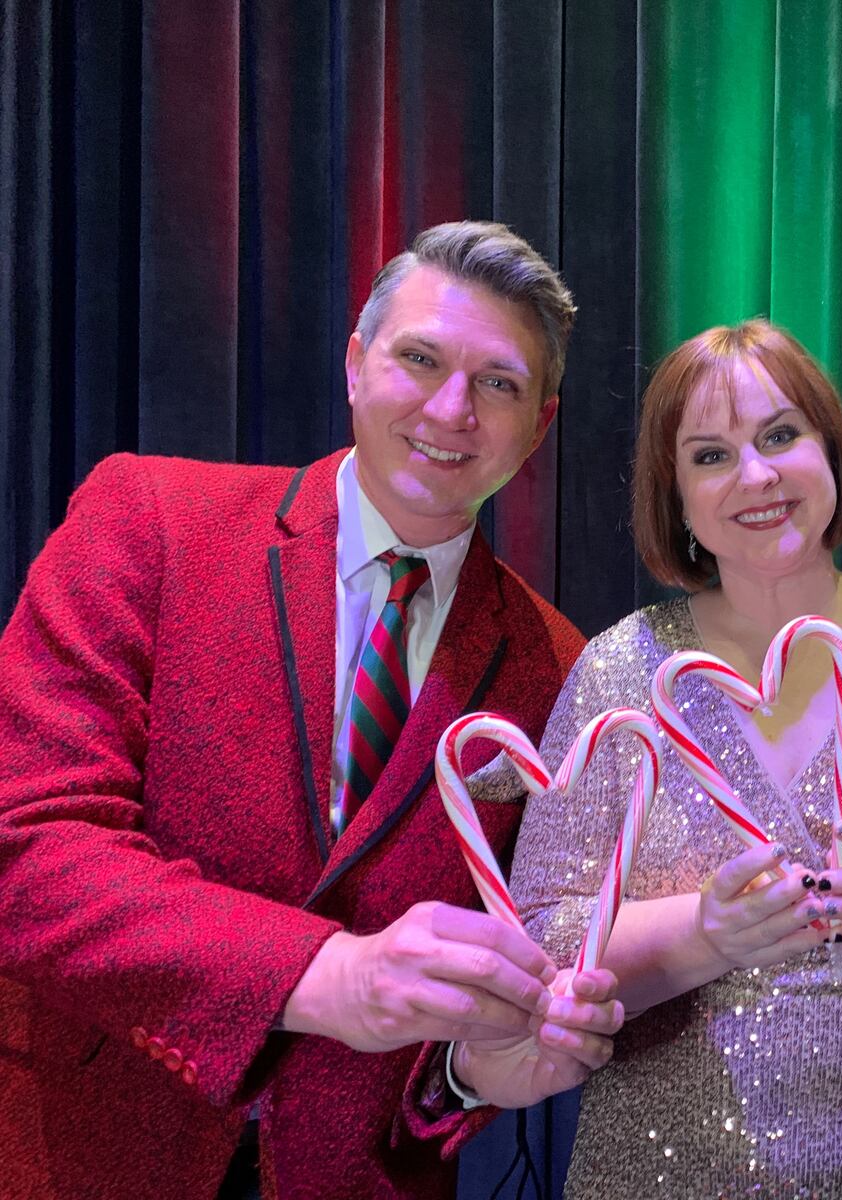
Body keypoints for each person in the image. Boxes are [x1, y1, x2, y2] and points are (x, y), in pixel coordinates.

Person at [0, 221, 623, 1199]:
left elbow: (469, 1035)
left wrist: (471, 1076)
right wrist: (323, 977)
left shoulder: (559, 671)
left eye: (497, 383)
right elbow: (31, 851)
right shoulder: (148, 522)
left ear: (538, 424)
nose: (451, 409)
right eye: (419, 358)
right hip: (85, 1153)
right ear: (355, 364)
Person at [474, 318, 842, 1196]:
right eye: (711, 456)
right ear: (674, 495)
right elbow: (540, 941)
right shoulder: (620, 674)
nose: (756, 476)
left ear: (831, 452)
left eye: (781, 436)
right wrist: (701, 937)